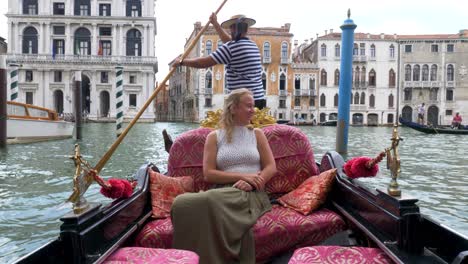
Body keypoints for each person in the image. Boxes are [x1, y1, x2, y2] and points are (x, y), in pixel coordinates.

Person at [171, 88, 277, 263]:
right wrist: (241, 177)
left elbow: (271, 167)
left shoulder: (257, 134)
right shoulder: (214, 137)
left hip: (251, 193)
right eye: (248, 106)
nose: (253, 110)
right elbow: (209, 174)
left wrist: (253, 182)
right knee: (181, 204)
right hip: (223, 191)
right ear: (233, 108)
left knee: (186, 202)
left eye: (253, 106)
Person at [172, 14, 266, 109]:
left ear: (233, 29)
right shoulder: (252, 46)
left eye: (230, 28)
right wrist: (216, 24)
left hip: (241, 103)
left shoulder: (230, 48)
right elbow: (230, 42)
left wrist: (181, 62)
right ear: (246, 29)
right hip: (259, 99)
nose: (229, 31)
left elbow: (203, 63)